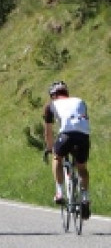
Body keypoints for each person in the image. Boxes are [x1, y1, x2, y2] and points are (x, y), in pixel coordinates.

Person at [43, 80, 91, 219]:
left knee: (57, 157)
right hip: (83, 135)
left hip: (66, 135)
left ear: (53, 95)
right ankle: (85, 197)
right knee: (82, 167)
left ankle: (59, 192)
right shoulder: (80, 101)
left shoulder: (50, 105)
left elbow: (48, 132)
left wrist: (50, 148)